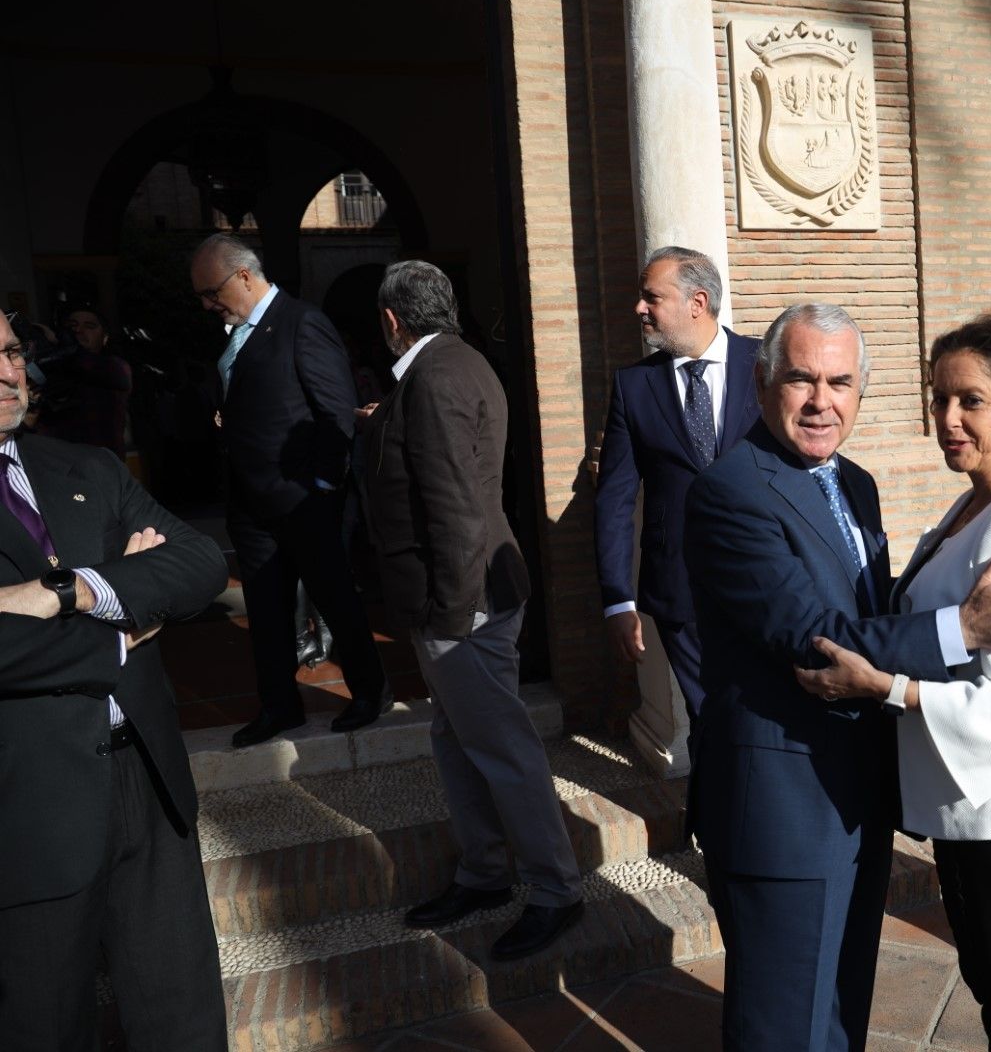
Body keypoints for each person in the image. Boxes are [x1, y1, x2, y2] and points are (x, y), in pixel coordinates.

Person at [683, 303, 991, 1051]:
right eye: (802, 379)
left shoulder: (852, 482)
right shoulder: (731, 492)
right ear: (762, 385)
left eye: (841, 382)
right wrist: (966, 629)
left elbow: (871, 612)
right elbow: (819, 641)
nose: (823, 401)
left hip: (857, 794)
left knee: (841, 1008)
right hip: (782, 812)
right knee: (784, 1025)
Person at [797, 314, 991, 1050]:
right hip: (982, 811)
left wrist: (885, 687)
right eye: (939, 399)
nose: (947, 419)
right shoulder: (979, 501)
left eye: (971, 401)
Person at [0, 309, 230, 1050]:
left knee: (183, 1022)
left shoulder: (86, 466)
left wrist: (71, 590)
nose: (9, 374)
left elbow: (199, 563)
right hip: (27, 808)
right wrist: (124, 621)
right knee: (46, 1026)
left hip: (149, 783)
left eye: (9, 352)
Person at [358, 260, 584, 959]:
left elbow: (455, 508)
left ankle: (555, 890)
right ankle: (484, 871)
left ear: (393, 320)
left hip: (464, 602)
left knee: (502, 747)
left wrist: (453, 617)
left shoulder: (436, 376)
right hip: (466, 596)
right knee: (456, 740)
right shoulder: (455, 365)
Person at [189, 232, 389, 747]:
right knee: (267, 609)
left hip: (304, 501)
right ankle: (280, 707)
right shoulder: (238, 333)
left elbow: (335, 412)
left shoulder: (302, 323)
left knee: (336, 600)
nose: (208, 305)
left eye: (211, 293)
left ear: (244, 276)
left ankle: (369, 692)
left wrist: (321, 486)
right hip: (251, 504)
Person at [595, 246, 760, 726]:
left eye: (651, 297)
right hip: (678, 587)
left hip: (764, 577)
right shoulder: (633, 386)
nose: (638, 308)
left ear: (697, 302)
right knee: (708, 715)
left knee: (764, 711)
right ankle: (716, 801)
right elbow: (615, 499)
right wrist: (617, 599)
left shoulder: (764, 364)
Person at [34, 305, 133, 458]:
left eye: (89, 326)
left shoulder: (115, 368)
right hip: (55, 465)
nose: (78, 330)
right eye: (72, 325)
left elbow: (83, 362)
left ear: (105, 337)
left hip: (101, 467)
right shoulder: (53, 370)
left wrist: (61, 343)